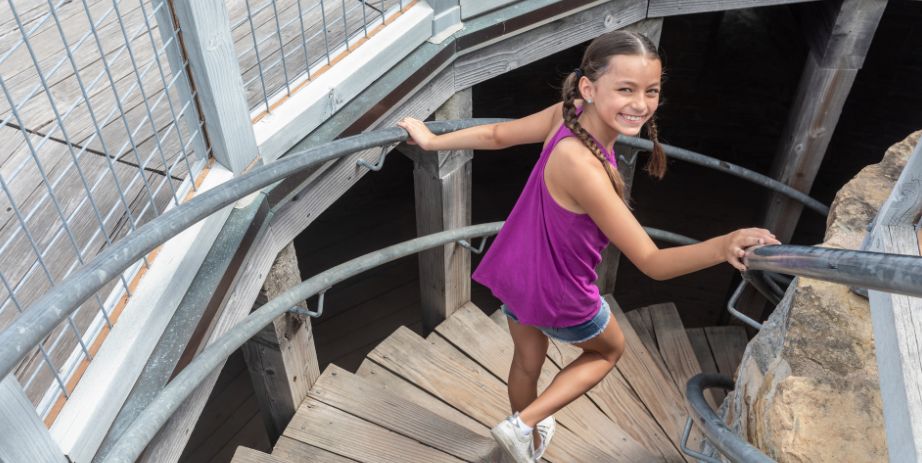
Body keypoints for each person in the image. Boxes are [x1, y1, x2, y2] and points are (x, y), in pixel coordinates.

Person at [397, 30, 779, 462]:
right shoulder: (587, 168)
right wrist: (722, 245)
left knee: (528, 358)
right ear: (588, 88)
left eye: (651, 91)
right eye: (626, 89)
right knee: (608, 350)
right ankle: (521, 424)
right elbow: (652, 261)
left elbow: (499, 135)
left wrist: (432, 141)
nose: (641, 104)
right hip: (560, 290)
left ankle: (524, 428)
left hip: (515, 270)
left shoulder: (568, 115)